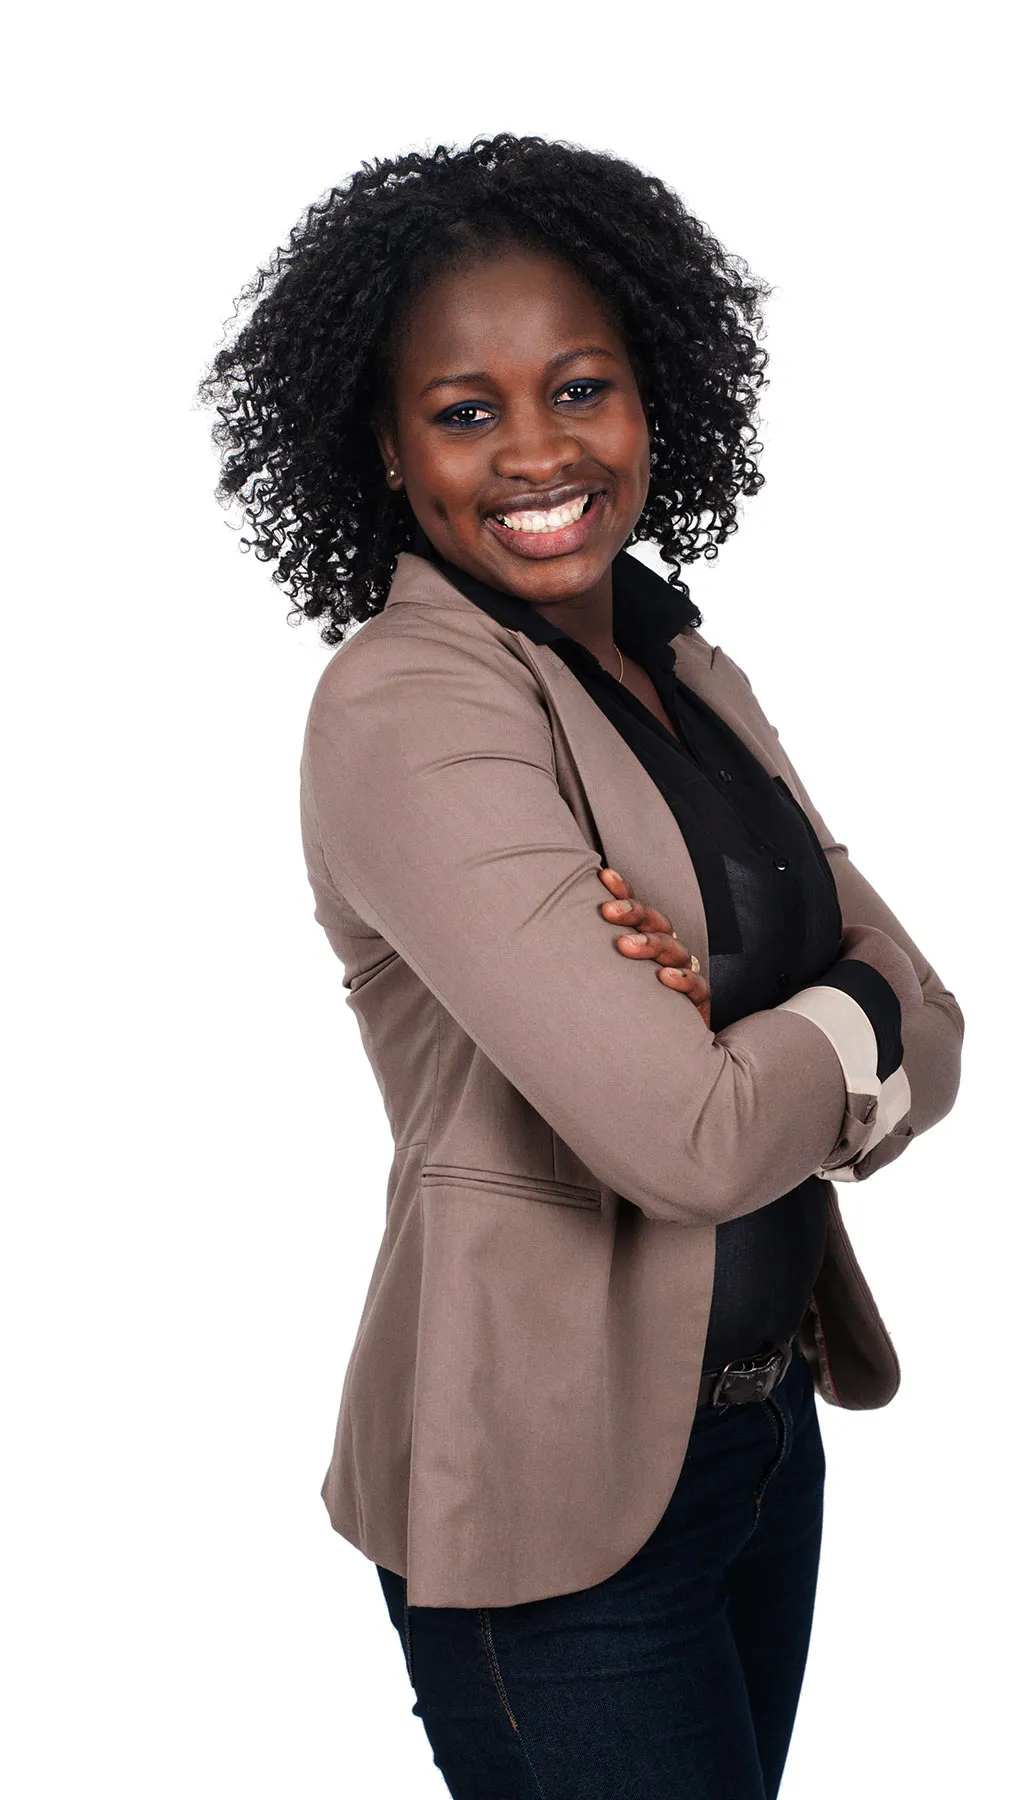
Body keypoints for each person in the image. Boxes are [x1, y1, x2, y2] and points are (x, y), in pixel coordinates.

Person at [200, 133, 964, 1800]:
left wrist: (787, 1025)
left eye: (582, 389)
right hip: (553, 1494)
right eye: (464, 411)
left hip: (760, 1438)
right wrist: (840, 1019)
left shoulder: (687, 669)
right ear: (388, 454)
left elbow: (943, 1018)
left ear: (651, 402)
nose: (536, 452)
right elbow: (681, 1136)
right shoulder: (411, 705)